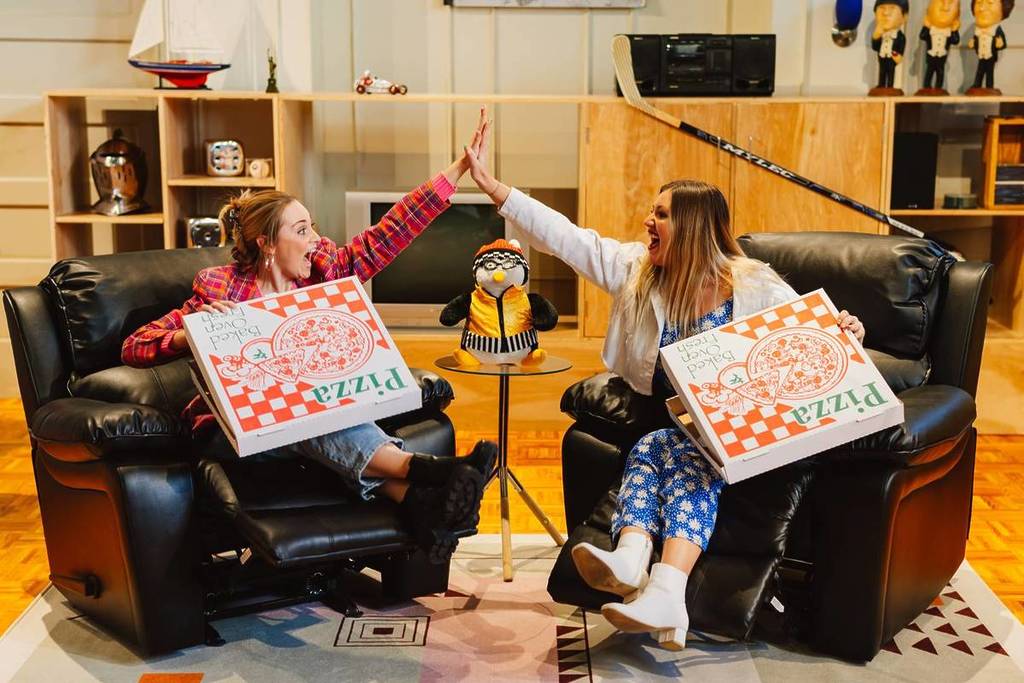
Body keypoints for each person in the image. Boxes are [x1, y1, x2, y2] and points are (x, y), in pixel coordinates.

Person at [461, 112, 866, 650]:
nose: (647, 221)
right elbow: (565, 237)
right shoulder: (636, 269)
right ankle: (657, 584)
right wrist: (494, 189)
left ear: (694, 226)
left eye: (661, 214)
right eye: (651, 211)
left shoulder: (754, 285)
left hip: (738, 429)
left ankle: (638, 563)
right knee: (662, 442)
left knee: (671, 444)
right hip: (672, 422)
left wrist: (847, 329)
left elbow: (806, 339)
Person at [122, 111, 498, 565]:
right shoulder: (217, 287)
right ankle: (442, 472)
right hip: (233, 433)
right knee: (314, 413)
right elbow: (135, 346)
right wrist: (189, 333)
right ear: (266, 243)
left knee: (317, 410)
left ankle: (423, 505)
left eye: (312, 227)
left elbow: (389, 233)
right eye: (302, 231)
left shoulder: (321, 273)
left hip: (303, 417)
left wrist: (456, 171)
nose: (315, 239)